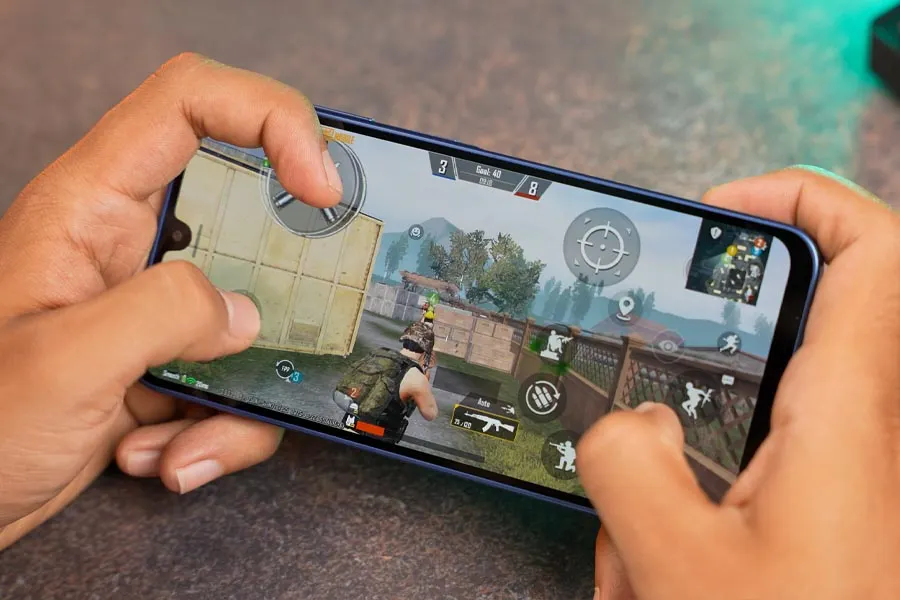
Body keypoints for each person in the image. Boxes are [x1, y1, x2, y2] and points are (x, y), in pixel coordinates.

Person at [0, 54, 898, 600]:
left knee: (373, 402)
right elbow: (421, 383)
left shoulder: (410, 354)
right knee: (381, 405)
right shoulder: (410, 361)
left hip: (383, 396)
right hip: (386, 402)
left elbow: (419, 375)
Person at [332, 321, 439, 444]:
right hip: (374, 440)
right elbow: (430, 414)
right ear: (427, 352)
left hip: (348, 427)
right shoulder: (417, 377)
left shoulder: (378, 355)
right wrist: (425, 375)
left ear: (404, 340)